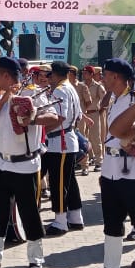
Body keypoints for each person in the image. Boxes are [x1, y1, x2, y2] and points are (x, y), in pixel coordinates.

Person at [0, 57, 53, 268]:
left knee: (30, 213)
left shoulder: (32, 92)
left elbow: (54, 117)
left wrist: (32, 117)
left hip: (26, 165)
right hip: (2, 163)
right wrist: (4, 99)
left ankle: (36, 258)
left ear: (6, 75)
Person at [96, 58, 135, 268]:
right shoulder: (114, 99)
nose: (103, 79)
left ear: (116, 77)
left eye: (105, 75)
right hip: (111, 170)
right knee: (112, 222)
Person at [43, 61, 85, 236]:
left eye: (50, 74)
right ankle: (75, 217)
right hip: (67, 138)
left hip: (60, 141)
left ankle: (60, 221)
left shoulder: (60, 90)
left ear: (55, 74)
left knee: (58, 182)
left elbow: (59, 117)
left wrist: (42, 130)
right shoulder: (71, 88)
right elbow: (78, 116)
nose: (49, 77)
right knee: (69, 181)